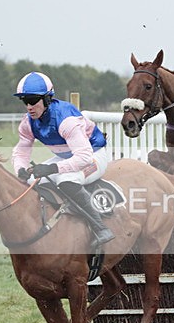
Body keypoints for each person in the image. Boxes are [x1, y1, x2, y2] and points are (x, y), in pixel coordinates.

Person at [11, 71, 114, 248]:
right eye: (25, 101)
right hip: (67, 156)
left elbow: (83, 157)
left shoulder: (66, 120)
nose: (29, 106)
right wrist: (20, 169)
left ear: (47, 99)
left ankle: (100, 227)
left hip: (94, 155)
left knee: (66, 180)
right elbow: (20, 152)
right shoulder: (27, 122)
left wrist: (52, 169)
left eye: (33, 100)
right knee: (31, 180)